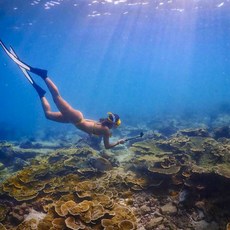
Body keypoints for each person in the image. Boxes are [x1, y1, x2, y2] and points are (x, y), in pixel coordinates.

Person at [0, 40, 125, 149]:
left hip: (74, 120)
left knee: (48, 115)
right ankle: (44, 75)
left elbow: (90, 125)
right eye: (117, 124)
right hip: (75, 118)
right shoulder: (106, 131)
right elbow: (107, 146)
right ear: (114, 124)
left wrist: (89, 130)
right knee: (56, 98)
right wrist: (118, 142)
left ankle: (41, 93)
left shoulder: (103, 126)